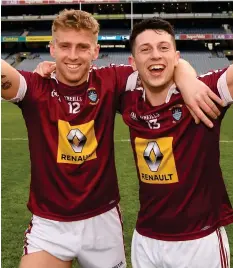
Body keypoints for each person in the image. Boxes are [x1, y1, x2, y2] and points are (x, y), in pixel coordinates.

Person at [1, 9, 224, 268]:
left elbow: (156, 65)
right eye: (65, 46)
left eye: (82, 47)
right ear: (52, 48)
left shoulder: (111, 80)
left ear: (95, 51)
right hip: (50, 224)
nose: (73, 55)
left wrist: (186, 75)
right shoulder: (35, 87)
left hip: (102, 221)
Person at [119, 18, 233, 268]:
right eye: (145, 50)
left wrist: (186, 76)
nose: (154, 55)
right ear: (133, 63)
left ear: (177, 56)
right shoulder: (127, 99)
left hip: (199, 240)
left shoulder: (204, 92)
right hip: (146, 239)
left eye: (163, 47)